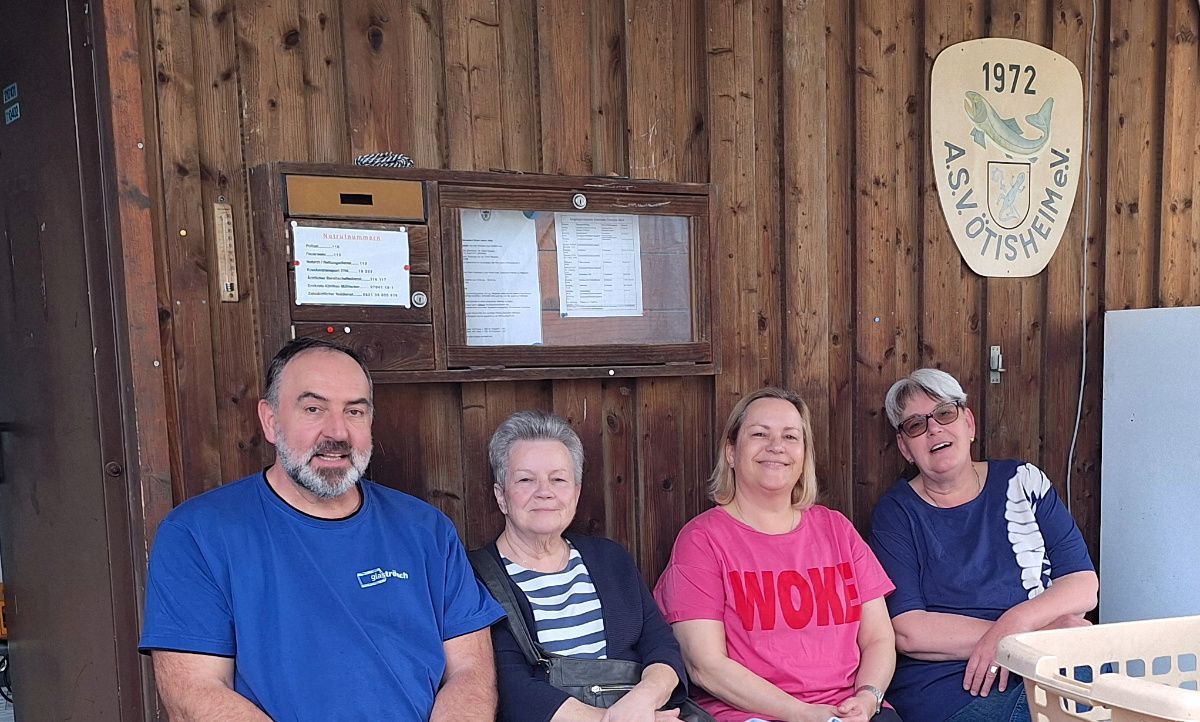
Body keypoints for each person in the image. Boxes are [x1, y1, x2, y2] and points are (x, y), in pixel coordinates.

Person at [138, 337, 505, 721]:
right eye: (314, 408)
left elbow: (471, 673)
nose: (338, 432)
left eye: (355, 412)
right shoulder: (197, 534)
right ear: (270, 420)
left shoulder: (426, 529)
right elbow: (194, 694)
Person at [655, 387, 900, 722]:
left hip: (852, 712)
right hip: (752, 714)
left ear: (803, 454)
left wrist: (868, 698)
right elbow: (705, 666)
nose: (776, 447)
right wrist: (806, 714)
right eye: (759, 434)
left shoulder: (837, 529)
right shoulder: (702, 540)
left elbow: (879, 637)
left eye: (790, 436)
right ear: (731, 451)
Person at [869, 368, 1098, 722]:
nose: (934, 429)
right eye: (916, 425)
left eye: (945, 412)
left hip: (1044, 666)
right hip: (954, 688)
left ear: (969, 423)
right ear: (905, 448)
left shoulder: (1024, 481)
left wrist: (1014, 624)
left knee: (1109, 689)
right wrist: (1022, 638)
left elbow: (1082, 585)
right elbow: (909, 629)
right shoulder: (897, 513)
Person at [479, 410, 690, 722]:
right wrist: (612, 720)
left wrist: (643, 702)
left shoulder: (610, 559)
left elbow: (662, 647)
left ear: (576, 492)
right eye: (525, 479)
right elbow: (512, 687)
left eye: (558, 479)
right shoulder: (477, 576)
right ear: (501, 497)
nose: (544, 491)